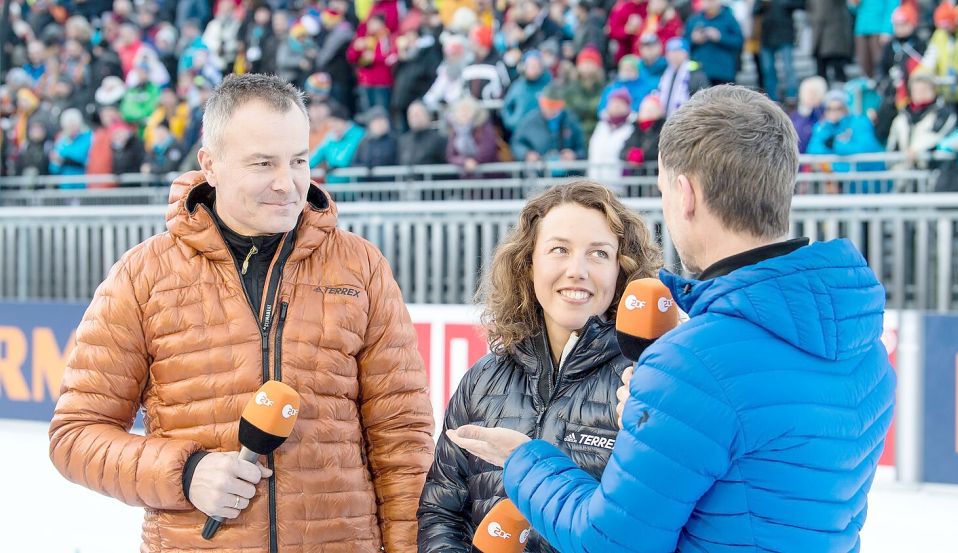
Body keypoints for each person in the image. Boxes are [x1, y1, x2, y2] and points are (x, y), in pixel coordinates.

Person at [447, 85, 896, 552]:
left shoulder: (693, 362)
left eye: (661, 189)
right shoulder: (865, 350)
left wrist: (525, 459)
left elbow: (610, 541)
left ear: (684, 194)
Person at [48, 73, 434, 552]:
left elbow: (403, 441)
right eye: (262, 163)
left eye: (298, 160)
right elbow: (75, 435)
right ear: (210, 164)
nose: (286, 183)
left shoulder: (361, 267)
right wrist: (185, 473)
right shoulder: (143, 275)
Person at [417, 181, 661, 552]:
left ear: (620, 271)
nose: (576, 270)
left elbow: (647, 528)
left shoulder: (643, 386)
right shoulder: (481, 381)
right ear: (529, 263)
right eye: (559, 249)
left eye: (598, 254)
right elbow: (441, 512)